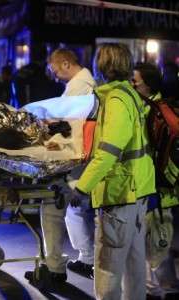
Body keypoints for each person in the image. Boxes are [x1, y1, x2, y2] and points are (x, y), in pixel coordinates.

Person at [73, 43, 156, 300]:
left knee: (108, 267)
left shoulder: (116, 99)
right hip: (136, 191)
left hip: (120, 194)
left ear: (103, 65)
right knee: (134, 265)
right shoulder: (128, 94)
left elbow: (108, 152)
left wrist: (81, 187)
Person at [24, 48, 96, 285]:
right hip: (77, 158)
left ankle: (56, 267)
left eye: (54, 68)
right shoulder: (80, 84)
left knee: (53, 207)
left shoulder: (80, 87)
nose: (52, 73)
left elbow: (69, 125)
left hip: (73, 159)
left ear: (66, 64)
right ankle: (82, 258)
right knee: (73, 212)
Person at [132, 62, 179, 300]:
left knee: (159, 243)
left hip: (158, 189)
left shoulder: (153, 110)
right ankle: (160, 290)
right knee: (160, 242)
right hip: (161, 188)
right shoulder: (160, 107)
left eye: (136, 81)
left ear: (147, 85)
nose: (132, 84)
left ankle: (164, 291)